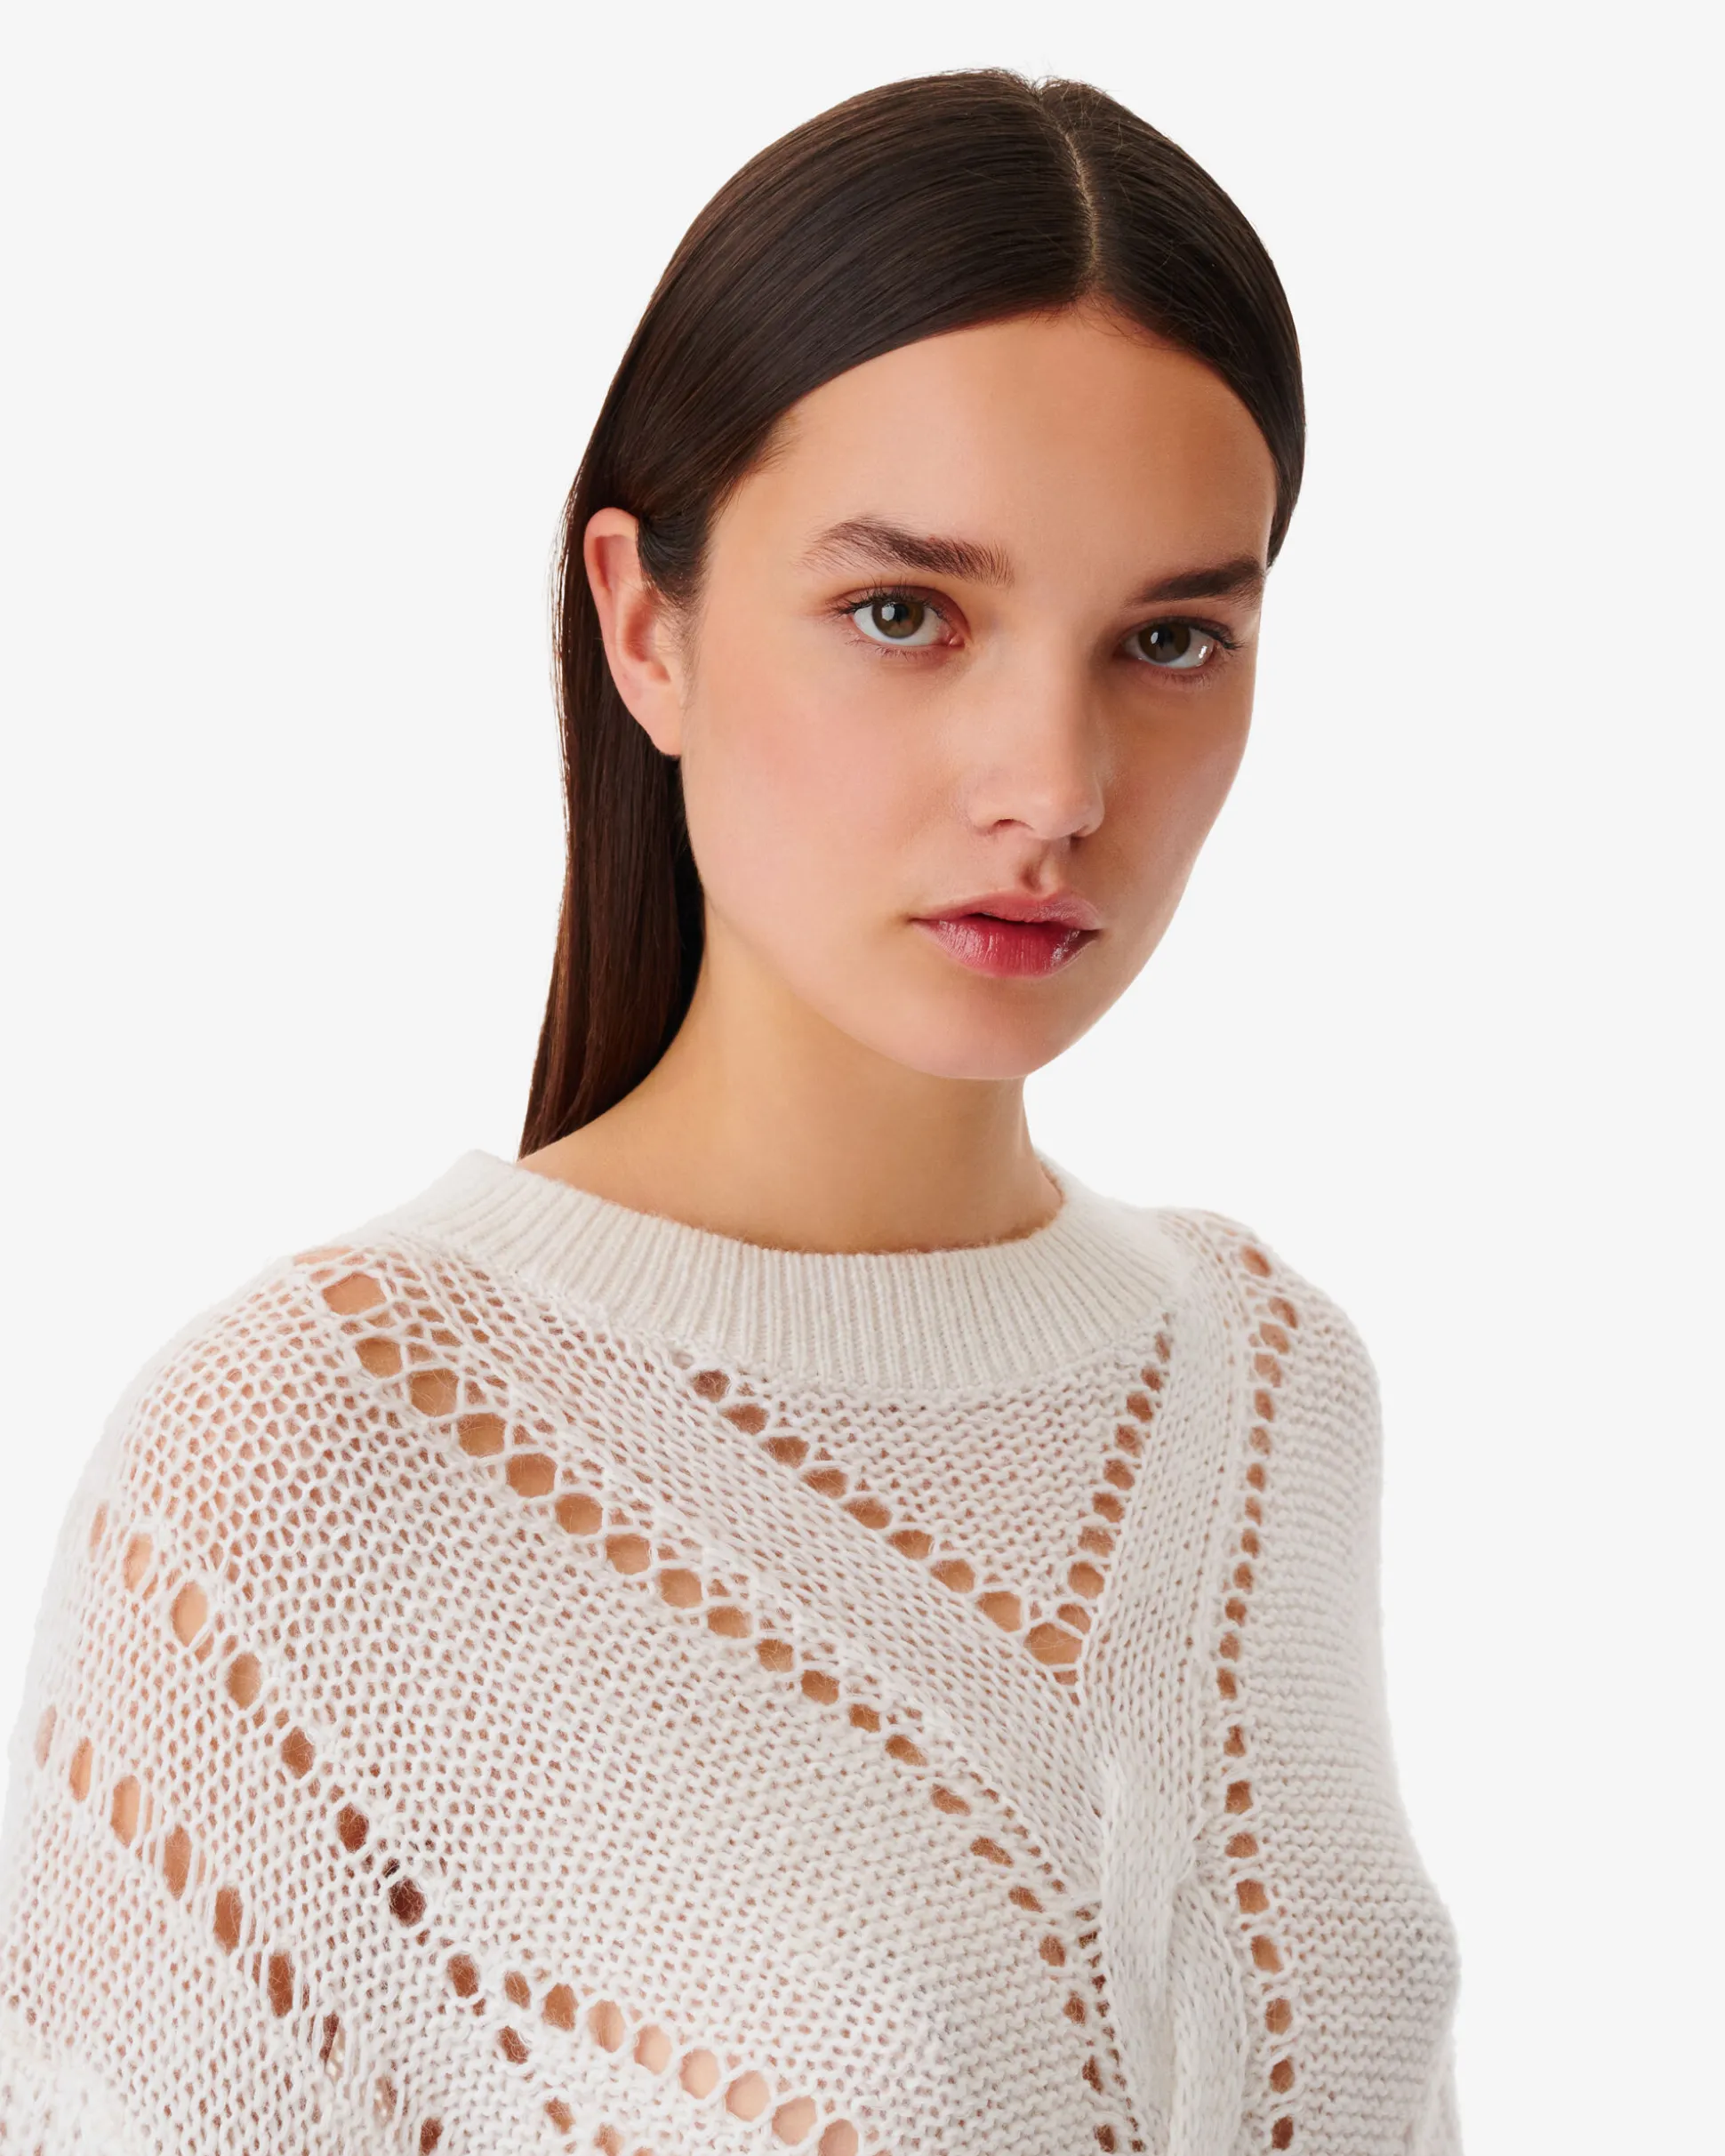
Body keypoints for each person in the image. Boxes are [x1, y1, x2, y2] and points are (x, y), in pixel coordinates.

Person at [0, 68, 1461, 2156]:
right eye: (905, 614)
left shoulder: (1271, 1384)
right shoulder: (314, 1458)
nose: (1054, 785)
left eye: (1168, 638)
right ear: (644, 624)